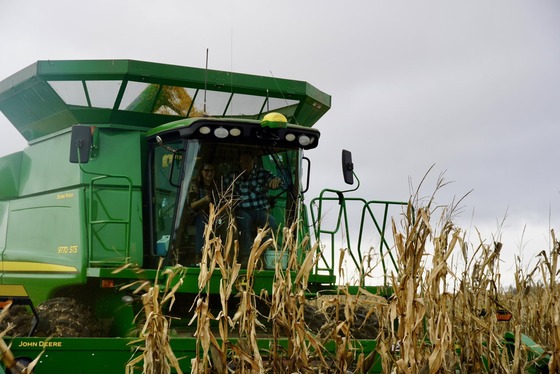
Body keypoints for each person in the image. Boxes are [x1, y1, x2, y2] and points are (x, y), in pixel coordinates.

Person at [225, 152, 283, 263]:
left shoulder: (262, 174)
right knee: (244, 221)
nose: (244, 164)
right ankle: (245, 256)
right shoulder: (233, 176)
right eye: (242, 161)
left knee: (271, 220)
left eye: (247, 161)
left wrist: (277, 181)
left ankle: (266, 253)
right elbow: (224, 189)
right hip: (242, 211)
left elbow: (275, 180)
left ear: (253, 161)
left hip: (260, 211)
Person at [188, 161, 219, 259]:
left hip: (216, 214)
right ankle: (199, 255)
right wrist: (203, 200)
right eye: (206, 170)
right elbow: (191, 205)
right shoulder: (195, 184)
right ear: (201, 171)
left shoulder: (217, 184)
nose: (209, 173)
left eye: (212, 171)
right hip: (198, 214)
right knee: (203, 223)